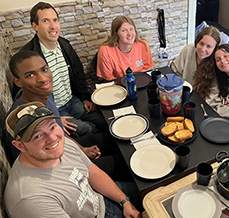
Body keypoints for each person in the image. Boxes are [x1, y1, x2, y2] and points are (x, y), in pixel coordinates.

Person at [4, 102, 142, 218]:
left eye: (52, 126)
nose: (52, 138)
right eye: (38, 135)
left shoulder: (61, 144)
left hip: (100, 201)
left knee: (152, 191)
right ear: (20, 146)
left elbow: (93, 173)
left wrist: (125, 202)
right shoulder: (31, 199)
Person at [2, 50, 119, 179]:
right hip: (60, 172)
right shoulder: (22, 122)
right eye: (30, 75)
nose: (42, 79)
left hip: (66, 148)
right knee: (121, 163)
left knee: (116, 138)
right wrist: (81, 158)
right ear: (18, 82)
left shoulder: (44, 94)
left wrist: (82, 150)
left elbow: (60, 135)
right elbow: (35, 168)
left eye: (44, 70)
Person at [21, 2, 107, 137]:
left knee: (104, 121)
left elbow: (79, 73)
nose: (53, 26)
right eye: (45, 21)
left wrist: (85, 98)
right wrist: (53, 119)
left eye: (55, 20)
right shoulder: (28, 56)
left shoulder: (64, 45)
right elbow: (26, 97)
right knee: (88, 130)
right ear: (35, 26)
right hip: (55, 111)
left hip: (73, 100)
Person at [96, 15, 154, 81]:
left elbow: (146, 69)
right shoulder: (105, 50)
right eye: (124, 30)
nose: (129, 34)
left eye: (131, 29)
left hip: (140, 82)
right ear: (116, 34)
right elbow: (109, 79)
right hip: (120, 85)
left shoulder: (142, 44)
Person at [171, 26, 221, 98]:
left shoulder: (217, 62)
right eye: (201, 43)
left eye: (208, 46)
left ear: (215, 49)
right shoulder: (188, 50)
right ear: (197, 41)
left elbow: (213, 94)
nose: (203, 49)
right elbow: (175, 71)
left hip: (203, 100)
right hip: (182, 93)